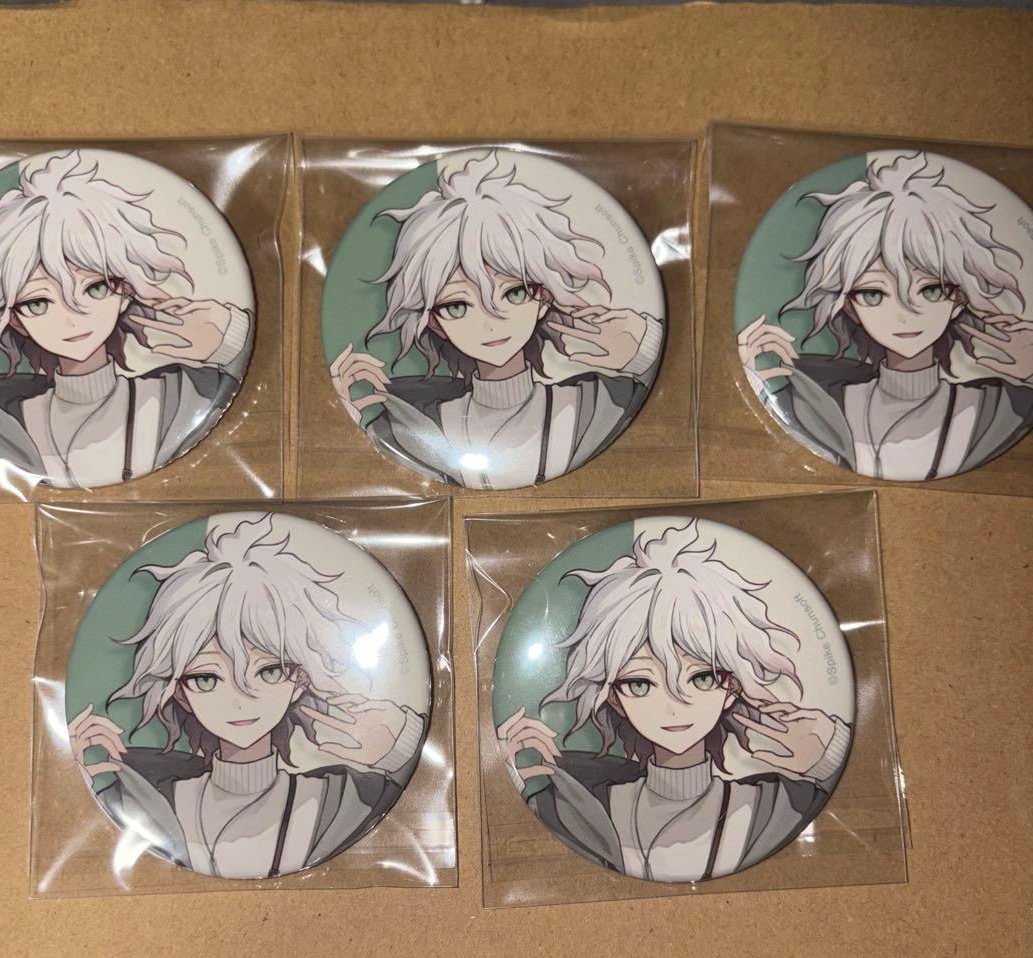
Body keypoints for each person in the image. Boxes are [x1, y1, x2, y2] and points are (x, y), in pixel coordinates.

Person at [69, 513, 426, 880]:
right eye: (206, 678)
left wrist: (400, 743)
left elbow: (411, 789)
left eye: (269, 671)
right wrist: (83, 776)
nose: (239, 699)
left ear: (300, 680)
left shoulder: (338, 799)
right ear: (180, 693)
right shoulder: (145, 798)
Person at [498, 520, 851, 883]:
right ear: (613, 697)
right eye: (640, 684)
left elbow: (853, 811)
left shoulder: (773, 808)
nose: (673, 705)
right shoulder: (577, 809)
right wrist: (503, 773)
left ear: (731, 687)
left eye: (702, 678)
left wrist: (830, 752)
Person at [330, 150, 664, 488]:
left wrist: (644, 349)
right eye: (457, 306)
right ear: (434, 322)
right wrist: (344, 413)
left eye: (514, 293)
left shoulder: (594, 406)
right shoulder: (408, 429)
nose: (490, 321)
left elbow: (673, 404)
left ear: (544, 298)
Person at [0, 149, 253, 488]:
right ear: (15, 320)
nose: (73, 317)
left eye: (96, 288)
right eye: (37, 303)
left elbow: (235, 379)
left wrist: (230, 338)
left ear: (125, 292)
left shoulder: (179, 396)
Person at [737, 151, 1032, 480]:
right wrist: (755, 373)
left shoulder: (997, 410)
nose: (906, 313)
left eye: (931, 290)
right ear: (849, 306)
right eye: (873, 294)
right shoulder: (814, 403)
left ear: (960, 299)